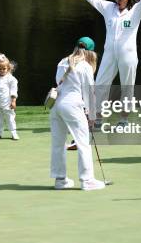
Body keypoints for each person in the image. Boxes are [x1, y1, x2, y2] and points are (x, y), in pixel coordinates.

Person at [50, 37, 106, 191]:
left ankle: (60, 180)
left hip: (56, 105)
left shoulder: (62, 61)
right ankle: (87, 181)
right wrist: (92, 116)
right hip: (72, 105)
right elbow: (89, 92)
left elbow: (58, 81)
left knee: (58, 143)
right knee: (83, 143)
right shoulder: (86, 66)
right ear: (90, 52)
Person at [0, 54, 19, 140]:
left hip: (8, 104)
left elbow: (14, 90)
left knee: (10, 118)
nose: (2, 71)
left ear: (8, 68)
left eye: (4, 69)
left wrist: (13, 101)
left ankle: (13, 132)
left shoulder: (11, 79)